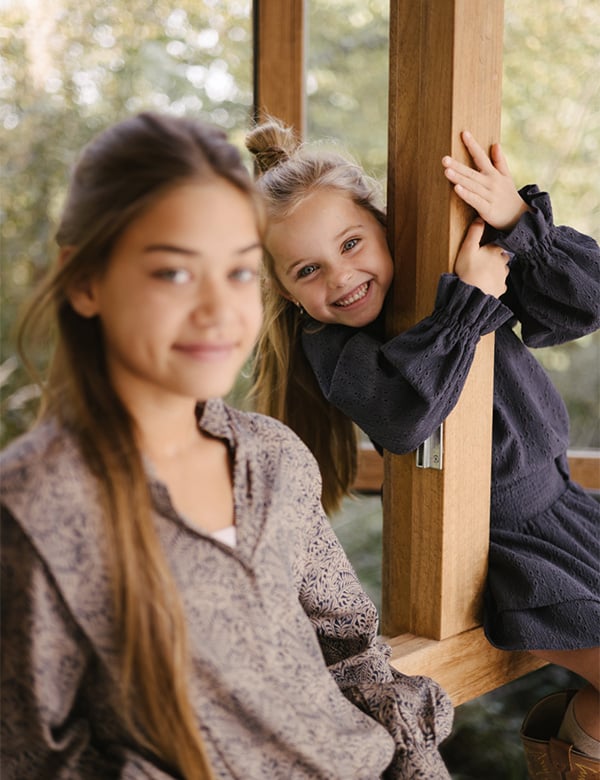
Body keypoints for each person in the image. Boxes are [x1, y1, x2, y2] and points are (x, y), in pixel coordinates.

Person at [0, 112, 454, 779]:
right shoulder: (32, 512)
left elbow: (353, 653)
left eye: (241, 274)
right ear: (85, 281)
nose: (218, 310)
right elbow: (34, 758)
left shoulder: (272, 457)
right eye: (175, 274)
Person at [246, 117, 600, 770]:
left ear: (382, 225)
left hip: (570, 509)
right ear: (286, 292)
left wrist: (520, 223)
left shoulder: (448, 274)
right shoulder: (340, 347)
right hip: (512, 543)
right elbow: (404, 414)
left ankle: (577, 738)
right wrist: (466, 302)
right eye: (307, 269)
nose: (341, 276)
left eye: (352, 242)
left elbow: (587, 299)